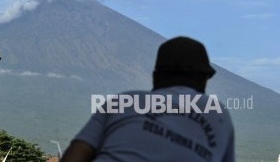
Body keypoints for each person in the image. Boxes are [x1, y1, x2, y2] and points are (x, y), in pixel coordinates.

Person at [61, 36, 235, 162]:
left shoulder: (124, 101)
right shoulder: (218, 114)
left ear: (156, 76)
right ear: (203, 79)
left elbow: (77, 154)